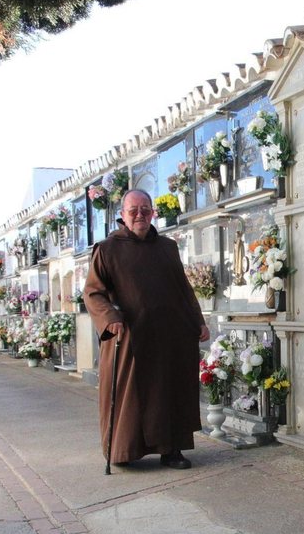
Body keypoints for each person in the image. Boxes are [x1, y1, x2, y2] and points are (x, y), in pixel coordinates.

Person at [81, 189, 210, 469]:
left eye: (145, 209)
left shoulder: (167, 247)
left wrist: (198, 321)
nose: (140, 215)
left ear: (153, 212)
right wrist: (110, 317)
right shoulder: (107, 249)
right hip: (130, 336)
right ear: (123, 215)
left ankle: (172, 450)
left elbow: (183, 289)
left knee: (170, 391)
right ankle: (124, 451)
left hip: (169, 336)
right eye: (133, 210)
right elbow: (93, 292)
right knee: (132, 396)